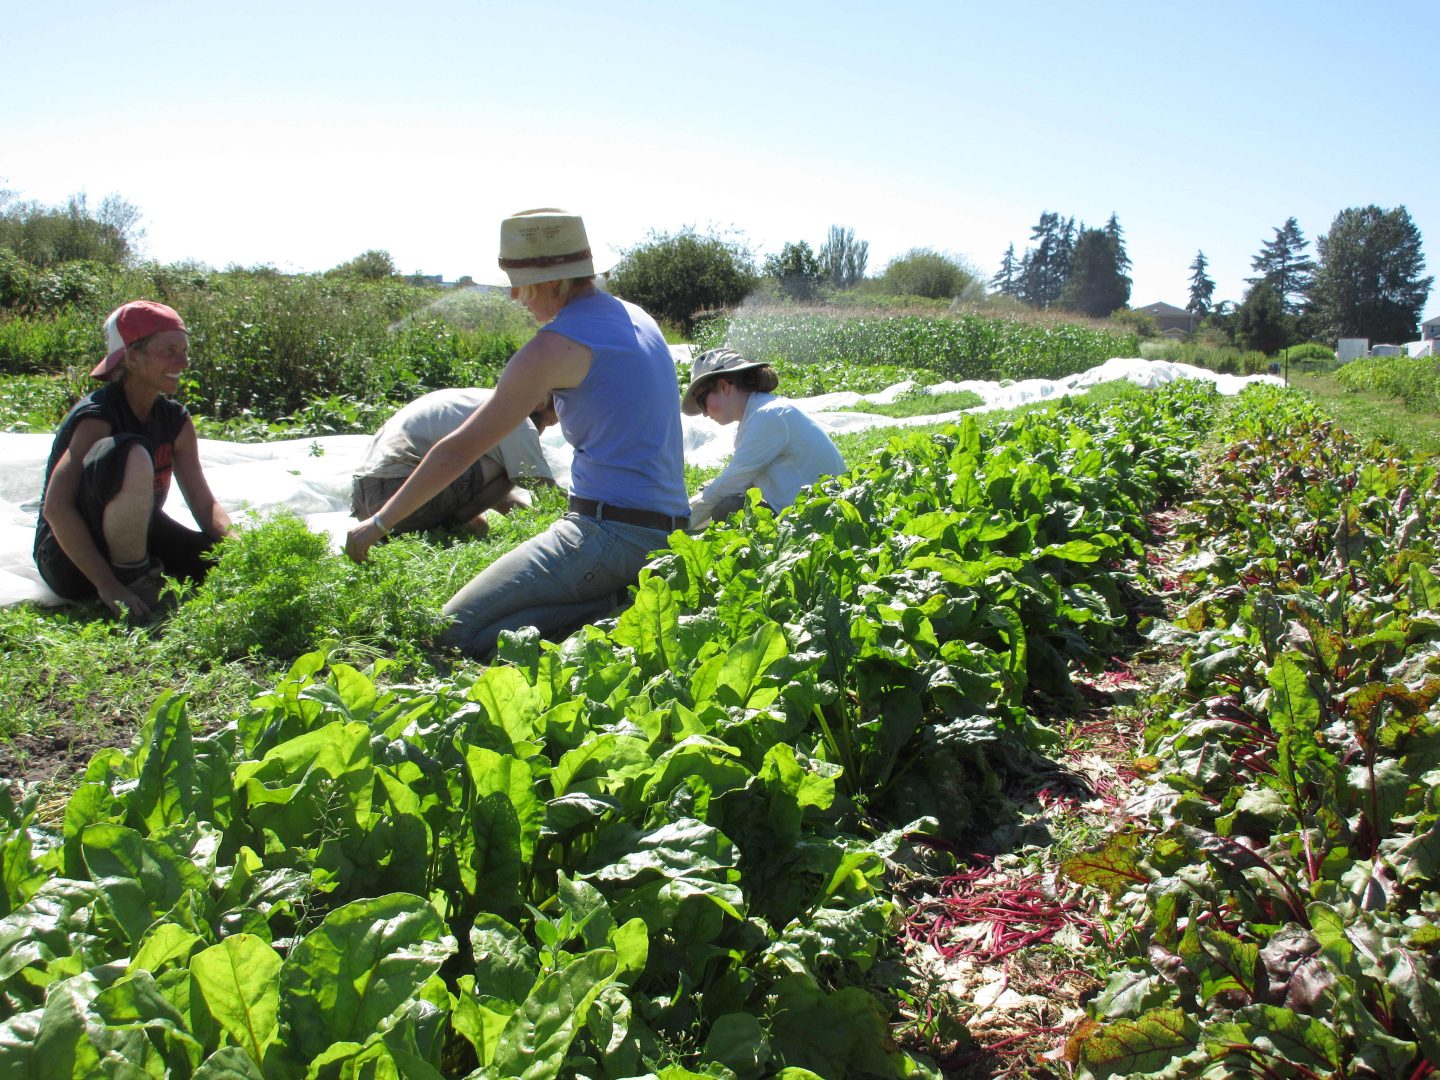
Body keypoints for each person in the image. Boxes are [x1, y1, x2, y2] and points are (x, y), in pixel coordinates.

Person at [345, 208, 688, 657]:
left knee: (449, 637)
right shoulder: (635, 316)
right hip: (668, 529)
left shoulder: (553, 346)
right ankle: (619, 599)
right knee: (492, 624)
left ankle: (616, 606)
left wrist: (377, 524)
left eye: (518, 281)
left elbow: (460, 449)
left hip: (608, 533)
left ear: (553, 280)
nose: (513, 295)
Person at [34, 300, 232, 620]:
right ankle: (134, 582)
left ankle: (139, 574)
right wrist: (108, 585)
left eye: (184, 350)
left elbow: (204, 505)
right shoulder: (98, 417)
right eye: (169, 350)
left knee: (217, 563)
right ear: (133, 358)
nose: (182, 361)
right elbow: (56, 508)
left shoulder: (175, 421)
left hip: (140, 537)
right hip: (68, 560)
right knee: (131, 451)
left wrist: (239, 547)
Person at [351, 388, 558, 538]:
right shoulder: (515, 417)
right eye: (550, 422)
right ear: (542, 401)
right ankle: (442, 533)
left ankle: (435, 530)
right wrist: (577, 517)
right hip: (393, 494)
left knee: (478, 527)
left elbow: (487, 489)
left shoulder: (478, 400)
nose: (543, 431)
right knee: (513, 467)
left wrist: (528, 518)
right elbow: (543, 489)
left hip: (365, 498)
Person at [681, 347, 847, 528]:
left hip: (821, 520)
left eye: (702, 402)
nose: (704, 413)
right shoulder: (760, 413)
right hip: (813, 511)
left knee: (728, 509)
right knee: (718, 495)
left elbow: (732, 482)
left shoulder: (768, 416)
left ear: (723, 386)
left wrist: (683, 523)